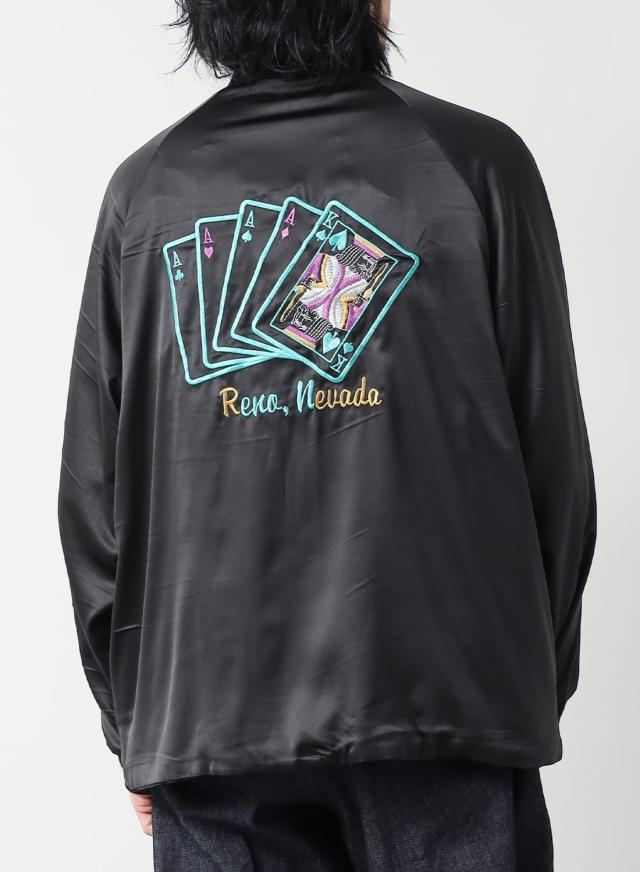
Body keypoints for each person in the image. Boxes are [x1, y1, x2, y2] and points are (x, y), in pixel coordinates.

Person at [58, 0, 596, 868]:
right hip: (447, 698)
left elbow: (94, 498)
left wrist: (134, 726)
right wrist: (525, 685)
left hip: (208, 714)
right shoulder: (477, 162)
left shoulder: (148, 189)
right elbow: (554, 464)